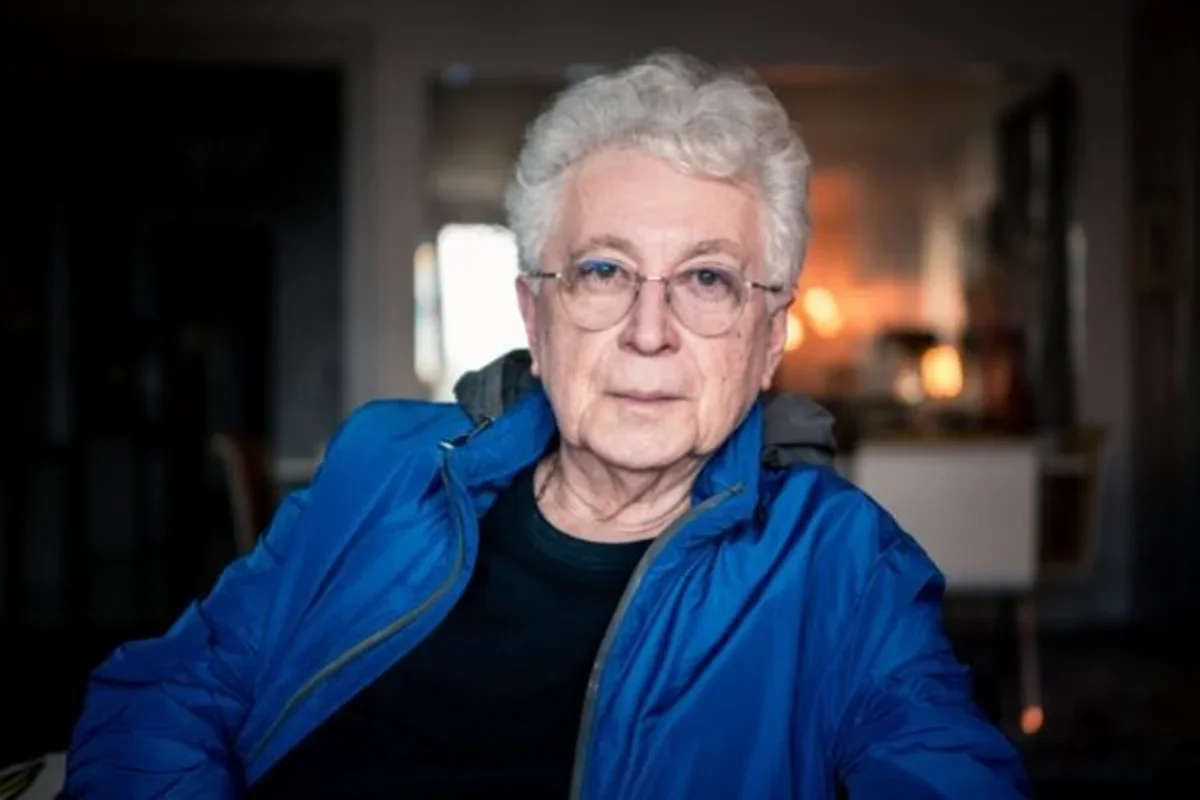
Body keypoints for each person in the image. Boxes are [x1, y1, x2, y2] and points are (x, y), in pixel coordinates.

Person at [64, 52, 1028, 798]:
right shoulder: (380, 464)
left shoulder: (842, 564)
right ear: (536, 312)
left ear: (770, 336)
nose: (649, 331)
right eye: (604, 271)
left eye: (707, 279)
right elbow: (169, 695)